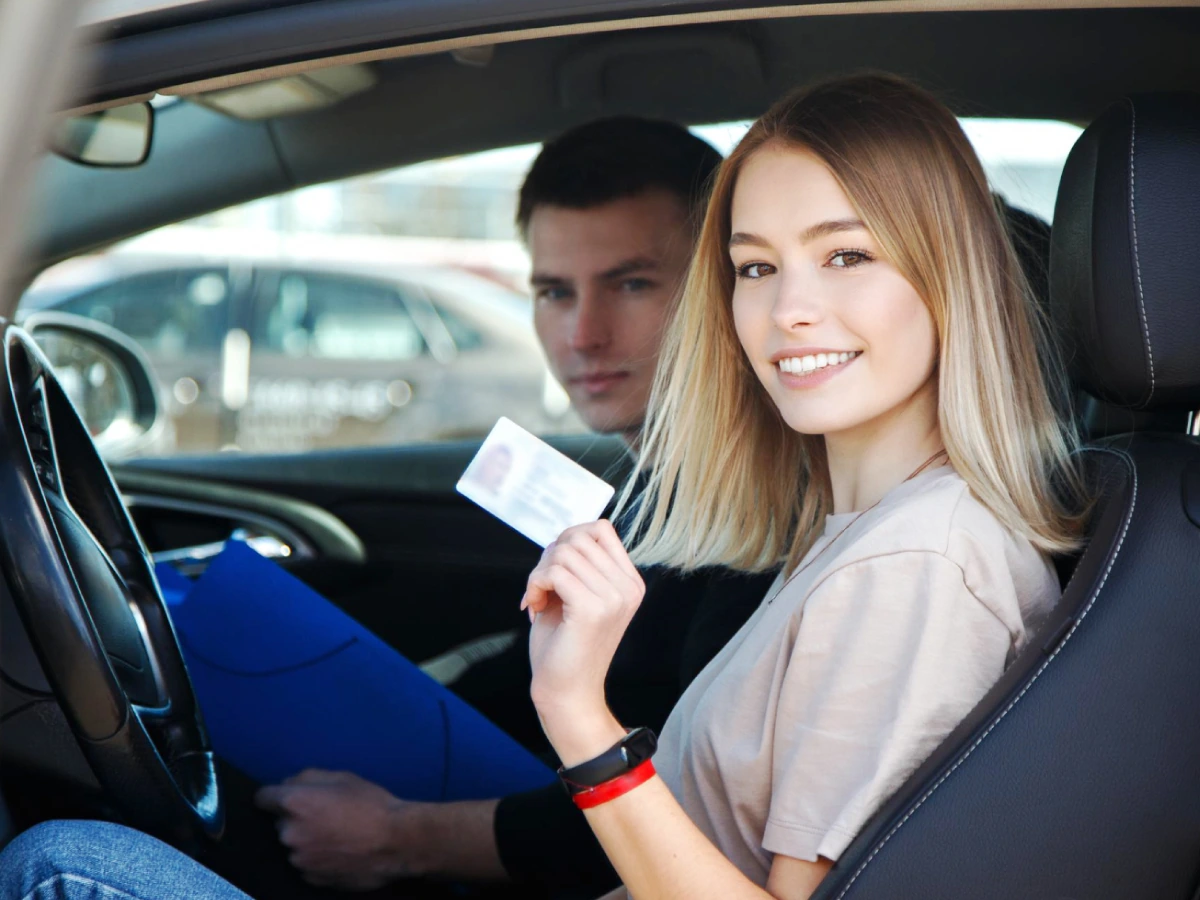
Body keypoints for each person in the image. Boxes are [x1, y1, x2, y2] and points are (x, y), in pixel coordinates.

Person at [518, 72, 1086, 900]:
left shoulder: (914, 563)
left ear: (948, 275)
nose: (789, 309)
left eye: (847, 256)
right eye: (755, 268)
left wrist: (579, 717)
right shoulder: (858, 532)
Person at [246, 117, 776, 898]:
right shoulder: (656, 485)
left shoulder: (757, 526)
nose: (583, 333)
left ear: (721, 282)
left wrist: (399, 839)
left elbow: (677, 816)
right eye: (554, 291)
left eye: (631, 283)